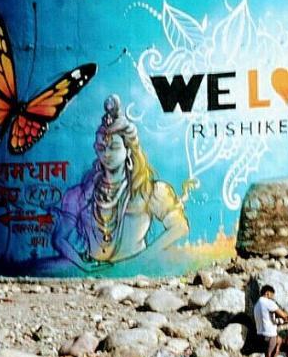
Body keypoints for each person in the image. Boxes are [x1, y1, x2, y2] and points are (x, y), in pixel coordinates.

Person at [49, 95, 190, 273]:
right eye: (101, 148)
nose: (107, 154)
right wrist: (82, 264)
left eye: (114, 148)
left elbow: (179, 226)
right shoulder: (81, 194)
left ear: (128, 150)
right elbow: (59, 239)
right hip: (93, 271)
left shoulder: (149, 191)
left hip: (135, 271)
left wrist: (142, 260)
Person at [252, 285, 288, 357]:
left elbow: (269, 320)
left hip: (260, 334)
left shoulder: (256, 305)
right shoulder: (268, 302)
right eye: (272, 295)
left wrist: (279, 321)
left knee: (279, 341)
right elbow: (283, 315)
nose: (272, 298)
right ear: (267, 293)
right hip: (270, 335)